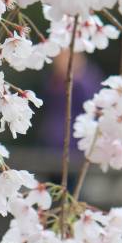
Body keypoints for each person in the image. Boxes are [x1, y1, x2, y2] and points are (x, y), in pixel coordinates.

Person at [40, 50, 104, 179]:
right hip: (53, 143)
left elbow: (91, 103)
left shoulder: (87, 78)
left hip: (76, 143)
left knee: (73, 184)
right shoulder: (55, 80)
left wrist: (75, 79)